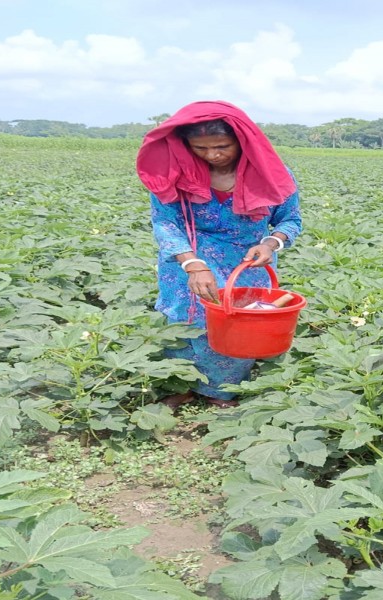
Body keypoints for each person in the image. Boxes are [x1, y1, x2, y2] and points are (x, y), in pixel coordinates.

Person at [136, 101, 302, 409]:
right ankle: (182, 384)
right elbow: (165, 222)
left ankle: (221, 391)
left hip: (247, 260)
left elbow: (290, 220)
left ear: (242, 142)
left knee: (237, 322)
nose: (212, 155)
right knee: (184, 320)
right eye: (200, 148)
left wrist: (270, 244)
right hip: (188, 259)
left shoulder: (273, 175)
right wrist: (191, 263)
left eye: (222, 146)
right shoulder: (174, 173)